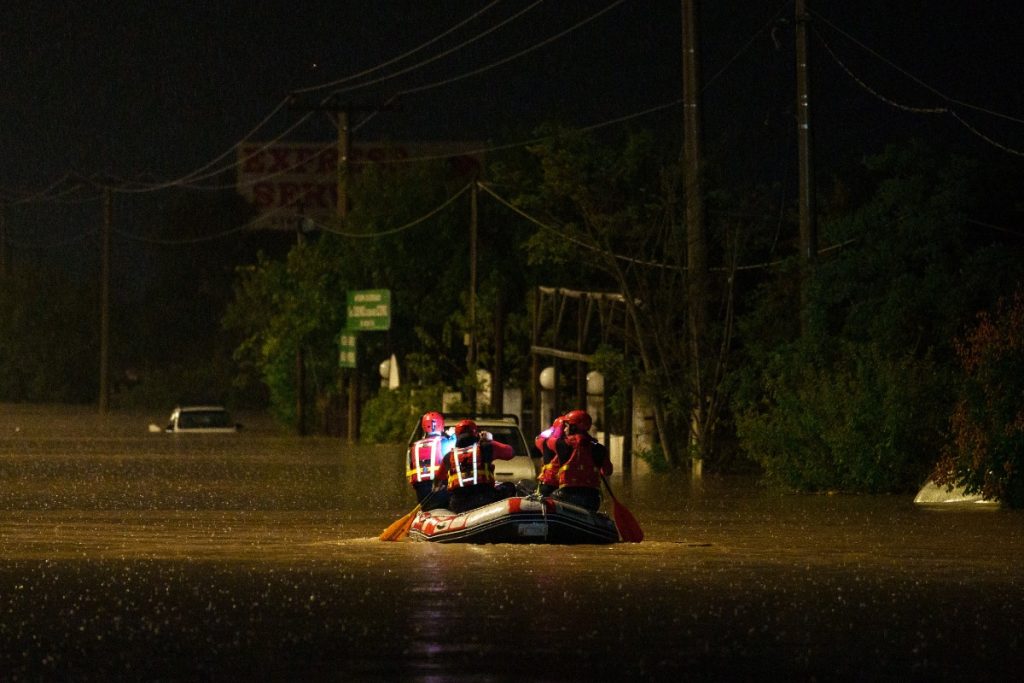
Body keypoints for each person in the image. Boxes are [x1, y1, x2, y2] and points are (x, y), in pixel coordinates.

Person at [435, 418, 517, 513]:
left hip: (459, 505)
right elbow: (510, 453)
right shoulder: (487, 447)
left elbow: (438, 480)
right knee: (510, 486)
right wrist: (490, 440)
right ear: (476, 434)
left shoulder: (448, 456)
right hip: (485, 499)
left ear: (457, 436)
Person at [550, 409, 612, 512]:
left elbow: (542, 441)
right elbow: (607, 471)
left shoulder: (561, 444)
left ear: (573, 427)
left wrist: (558, 428)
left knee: (550, 497)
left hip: (567, 496)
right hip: (592, 499)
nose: (565, 429)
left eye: (566, 426)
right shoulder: (599, 448)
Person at [407, 411, 455, 511]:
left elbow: (409, 473)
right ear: (441, 425)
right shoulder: (445, 442)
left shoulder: (414, 446)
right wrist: (452, 434)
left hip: (421, 490)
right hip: (442, 486)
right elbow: (458, 448)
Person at [535, 414, 567, 497]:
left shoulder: (547, 442)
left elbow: (538, 438)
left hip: (549, 483)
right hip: (566, 484)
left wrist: (552, 429)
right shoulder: (573, 444)